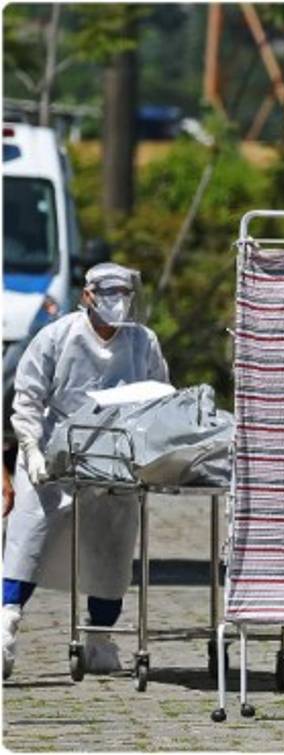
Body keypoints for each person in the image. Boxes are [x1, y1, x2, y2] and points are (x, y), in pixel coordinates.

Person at [2, 263, 168, 679]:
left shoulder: (143, 342)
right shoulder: (56, 337)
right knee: (29, 535)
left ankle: (99, 637)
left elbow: (162, 397)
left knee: (113, 545)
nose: (117, 302)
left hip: (116, 457)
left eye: (124, 293)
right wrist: (31, 449)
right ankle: (6, 624)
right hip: (57, 451)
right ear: (87, 295)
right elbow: (27, 399)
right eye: (108, 293)